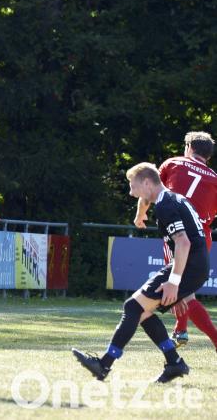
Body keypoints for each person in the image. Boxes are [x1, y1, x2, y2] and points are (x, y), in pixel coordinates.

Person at [74, 162, 210, 383]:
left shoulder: (165, 205)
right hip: (193, 266)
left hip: (189, 267)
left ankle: (104, 364)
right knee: (142, 311)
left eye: (133, 186)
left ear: (147, 183)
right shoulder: (171, 198)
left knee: (133, 307)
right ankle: (174, 362)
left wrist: (175, 282)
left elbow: (183, 242)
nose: (131, 192)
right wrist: (140, 214)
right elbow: (184, 239)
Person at [134, 131, 217, 350]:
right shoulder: (215, 179)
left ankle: (200, 336)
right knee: (182, 287)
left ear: (189, 147)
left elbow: (148, 189)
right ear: (208, 156)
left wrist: (140, 214)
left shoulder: (174, 163)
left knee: (182, 290)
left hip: (179, 234)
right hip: (202, 236)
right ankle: (180, 331)